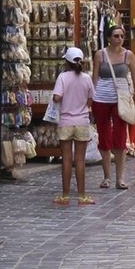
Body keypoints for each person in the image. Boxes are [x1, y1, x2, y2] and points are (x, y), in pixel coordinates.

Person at [91, 25, 135, 190]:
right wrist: (88, 101)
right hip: (101, 99)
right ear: (109, 38)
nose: (119, 39)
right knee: (104, 138)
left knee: (119, 139)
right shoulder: (99, 55)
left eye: (121, 36)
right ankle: (106, 177)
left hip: (121, 101)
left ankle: (119, 178)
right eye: (116, 36)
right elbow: (94, 79)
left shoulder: (128, 55)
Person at [51, 46, 95, 206]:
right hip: (82, 122)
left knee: (67, 160)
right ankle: (82, 196)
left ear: (66, 63)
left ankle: (65, 195)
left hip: (65, 122)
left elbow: (56, 98)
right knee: (80, 161)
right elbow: (90, 100)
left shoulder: (63, 77)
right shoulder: (87, 78)